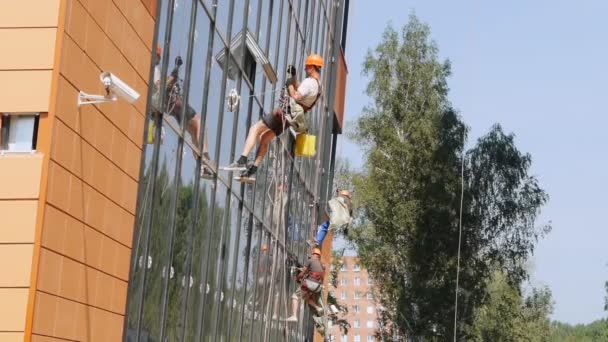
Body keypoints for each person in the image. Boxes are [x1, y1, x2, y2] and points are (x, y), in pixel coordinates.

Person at [223, 54, 324, 181]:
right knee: (264, 138)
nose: (305, 69)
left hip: (283, 113)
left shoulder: (309, 82)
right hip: (289, 120)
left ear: (311, 67)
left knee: (255, 129)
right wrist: (293, 78)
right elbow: (303, 91)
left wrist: (289, 85)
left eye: (306, 67)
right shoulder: (319, 86)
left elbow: (296, 96)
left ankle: (242, 160)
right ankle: (253, 170)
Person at [152, 45, 214, 179]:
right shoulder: (154, 70)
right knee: (199, 123)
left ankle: (201, 166)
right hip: (175, 104)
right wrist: (173, 76)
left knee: (193, 132)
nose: (159, 59)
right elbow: (161, 88)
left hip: (171, 108)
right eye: (158, 56)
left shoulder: (151, 71)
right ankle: (205, 156)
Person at [286, 248, 325, 322]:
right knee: (305, 297)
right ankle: (318, 308)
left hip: (310, 284)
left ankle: (294, 316)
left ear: (313, 254)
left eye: (311, 254)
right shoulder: (321, 264)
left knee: (295, 296)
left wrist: (298, 277)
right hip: (318, 287)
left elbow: (303, 272)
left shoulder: (310, 260)